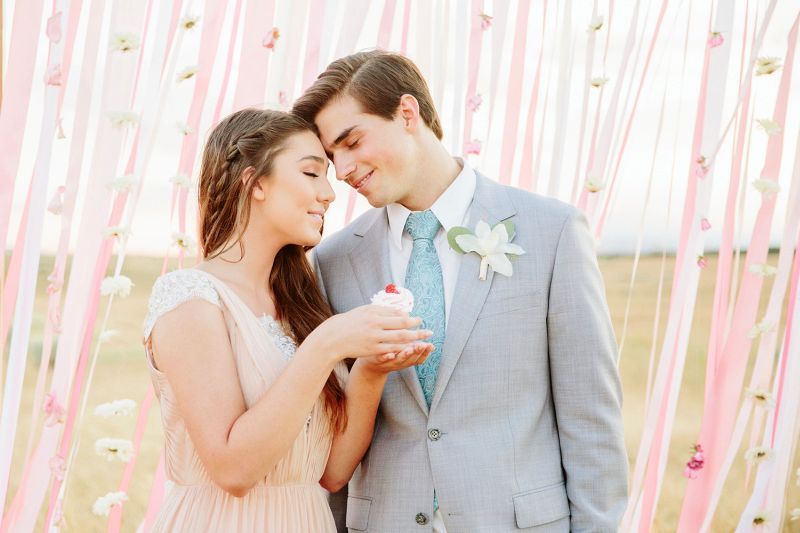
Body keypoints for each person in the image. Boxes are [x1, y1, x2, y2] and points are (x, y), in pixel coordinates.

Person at [293, 50, 628, 532]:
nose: (342, 169)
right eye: (331, 156)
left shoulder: (551, 232)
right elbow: (332, 436)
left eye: (352, 141)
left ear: (407, 113)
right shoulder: (332, 261)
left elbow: (591, 421)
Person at [142, 108, 434, 532]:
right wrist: (326, 345)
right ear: (255, 182)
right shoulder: (190, 299)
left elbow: (330, 473)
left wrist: (371, 371)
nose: (330, 194)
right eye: (312, 173)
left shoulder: (300, 302)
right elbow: (233, 470)